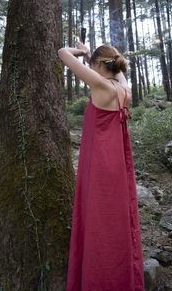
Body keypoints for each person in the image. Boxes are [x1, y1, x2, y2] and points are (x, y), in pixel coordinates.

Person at [58, 43, 145, 291]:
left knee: (96, 220)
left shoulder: (100, 85)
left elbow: (62, 54)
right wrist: (90, 55)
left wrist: (80, 53)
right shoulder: (123, 89)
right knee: (115, 219)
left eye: (94, 65)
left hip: (98, 164)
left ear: (98, 66)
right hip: (118, 163)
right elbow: (117, 71)